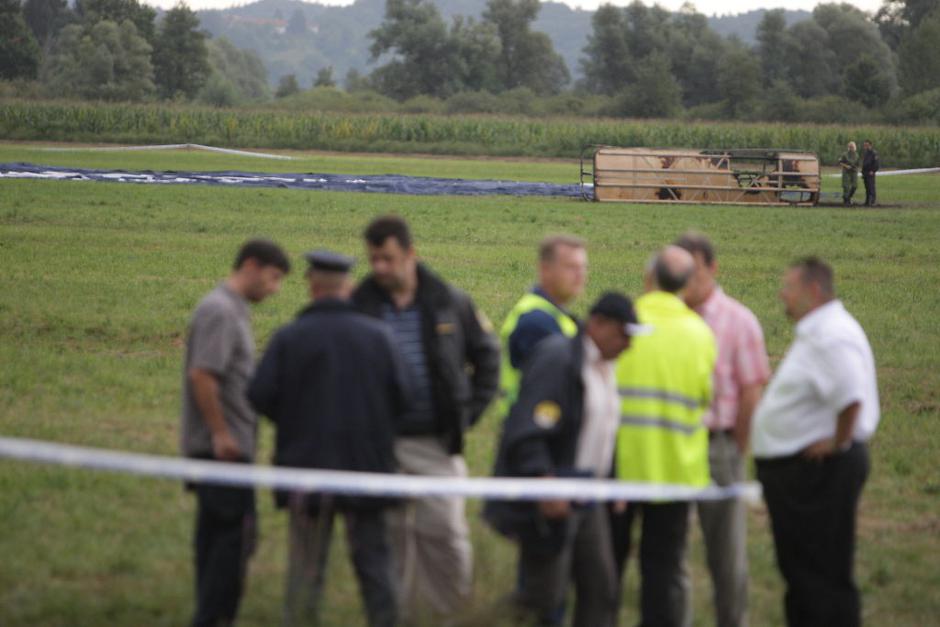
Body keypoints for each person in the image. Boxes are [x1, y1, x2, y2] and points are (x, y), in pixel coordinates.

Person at [247, 250, 409, 627]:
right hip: (366, 470)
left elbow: (259, 395)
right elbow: (405, 396)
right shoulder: (379, 337)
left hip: (306, 470)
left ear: (312, 287)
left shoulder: (290, 337)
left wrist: (295, 422)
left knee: (306, 570)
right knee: (375, 568)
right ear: (348, 287)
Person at [352, 216, 500, 622]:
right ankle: (398, 616)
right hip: (381, 446)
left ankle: (450, 614)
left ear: (410, 254)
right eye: (374, 259)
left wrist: (465, 415)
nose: (380, 267)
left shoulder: (449, 300)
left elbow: (488, 358)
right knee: (392, 538)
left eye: (388, 258)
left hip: (436, 444)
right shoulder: (361, 304)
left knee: (446, 534)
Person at [484, 292, 647, 627]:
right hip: (555, 489)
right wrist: (544, 480)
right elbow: (528, 426)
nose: (628, 345)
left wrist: (612, 482)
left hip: (589, 494)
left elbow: (603, 431)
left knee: (601, 589)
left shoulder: (605, 367)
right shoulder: (558, 359)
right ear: (598, 324)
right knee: (542, 598)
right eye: (623, 335)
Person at [752, 257, 879, 627]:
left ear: (812, 291)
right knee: (804, 573)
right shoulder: (820, 331)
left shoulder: (831, 336)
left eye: (789, 288)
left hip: (819, 473)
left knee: (819, 575)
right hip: (807, 473)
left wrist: (837, 442)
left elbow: (851, 398)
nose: (782, 295)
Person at [180, 238, 290, 627]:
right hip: (222, 451)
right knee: (231, 542)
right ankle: (214, 617)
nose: (275, 289)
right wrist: (221, 434)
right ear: (251, 266)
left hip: (228, 448)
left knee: (220, 538)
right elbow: (202, 375)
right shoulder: (221, 311)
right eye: (274, 278)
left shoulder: (232, 309)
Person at [609, 245, 717, 627]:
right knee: (663, 569)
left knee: (608, 567)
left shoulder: (624, 322)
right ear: (687, 284)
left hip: (620, 466)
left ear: (648, 277)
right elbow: (706, 397)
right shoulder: (700, 333)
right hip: (675, 469)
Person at [675, 232, 771, 627]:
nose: (688, 281)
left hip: (719, 446)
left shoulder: (738, 321)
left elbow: (751, 392)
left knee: (727, 555)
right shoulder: (670, 320)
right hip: (674, 448)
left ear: (713, 269)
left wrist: (735, 447)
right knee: (672, 552)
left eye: (695, 272)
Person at [498, 234, 587, 417]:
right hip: (533, 428)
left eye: (583, 267)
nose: (580, 275)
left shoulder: (554, 315)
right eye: (571, 267)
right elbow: (552, 389)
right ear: (545, 270)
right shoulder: (536, 322)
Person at [839, 141, 860, 206]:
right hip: (846, 171)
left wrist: (856, 168)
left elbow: (858, 164)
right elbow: (840, 162)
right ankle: (846, 200)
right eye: (850, 147)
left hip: (854, 171)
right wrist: (846, 166)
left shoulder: (857, 155)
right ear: (848, 147)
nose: (851, 148)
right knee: (846, 186)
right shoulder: (845, 154)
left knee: (854, 186)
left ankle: (849, 197)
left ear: (855, 147)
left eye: (852, 147)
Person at [861, 140, 879, 206]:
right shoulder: (866, 153)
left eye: (866, 145)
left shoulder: (874, 153)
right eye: (864, 145)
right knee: (867, 188)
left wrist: (873, 171)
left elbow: (876, 164)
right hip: (865, 173)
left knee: (871, 187)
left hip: (870, 173)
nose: (865, 147)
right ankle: (867, 201)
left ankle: (872, 201)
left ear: (870, 145)